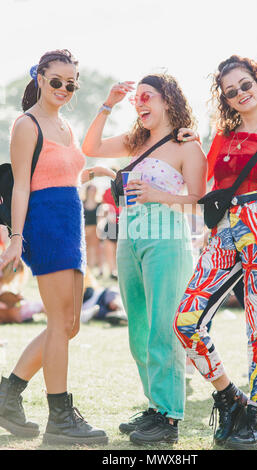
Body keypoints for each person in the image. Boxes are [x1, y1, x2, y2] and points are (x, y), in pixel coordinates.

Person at [173, 55, 257, 450]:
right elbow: (207, 180)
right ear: (225, 99)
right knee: (186, 321)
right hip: (223, 232)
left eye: (246, 85)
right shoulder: (223, 137)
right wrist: (192, 142)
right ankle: (229, 397)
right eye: (231, 91)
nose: (241, 94)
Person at [82, 74, 207, 444]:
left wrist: (155, 194)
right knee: (138, 330)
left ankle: (169, 420)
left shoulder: (188, 145)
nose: (139, 103)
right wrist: (109, 103)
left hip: (167, 239)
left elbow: (200, 200)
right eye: (137, 99)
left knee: (162, 329)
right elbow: (91, 145)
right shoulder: (136, 141)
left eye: (147, 96)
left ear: (168, 99)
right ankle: (155, 407)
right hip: (129, 239)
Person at [0, 49, 115, 445]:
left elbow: (63, 170)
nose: (64, 88)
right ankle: (60, 417)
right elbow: (20, 184)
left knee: (68, 325)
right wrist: (16, 238)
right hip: (44, 222)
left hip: (70, 221)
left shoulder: (64, 124)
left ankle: (8, 394)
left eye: (71, 83)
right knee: (57, 323)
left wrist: (93, 171)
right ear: (40, 78)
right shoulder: (27, 124)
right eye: (56, 81)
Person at [82, 184, 103, 272]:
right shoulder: (82, 203)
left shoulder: (100, 204)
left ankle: (96, 268)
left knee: (95, 249)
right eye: (91, 190)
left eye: (95, 190)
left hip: (95, 229)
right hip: (84, 229)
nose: (93, 192)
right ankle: (87, 268)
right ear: (87, 191)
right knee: (85, 248)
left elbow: (101, 218)